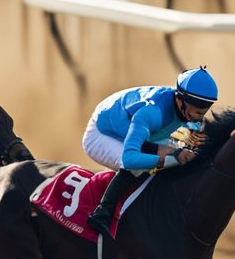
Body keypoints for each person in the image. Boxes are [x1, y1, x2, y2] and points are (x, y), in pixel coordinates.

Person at [82, 66, 218, 237]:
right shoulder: (152, 113)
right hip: (102, 133)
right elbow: (130, 159)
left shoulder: (190, 111)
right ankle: (102, 213)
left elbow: (187, 143)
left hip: (137, 130)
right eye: (197, 111)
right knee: (140, 166)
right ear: (180, 100)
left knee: (174, 153)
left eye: (204, 111)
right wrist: (168, 158)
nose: (200, 117)